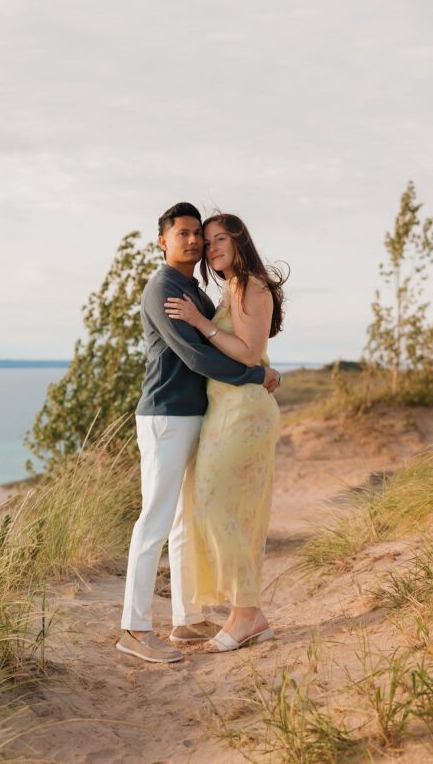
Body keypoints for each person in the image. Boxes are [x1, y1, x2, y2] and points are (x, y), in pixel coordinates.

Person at [116, 202, 281, 664]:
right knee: (155, 519)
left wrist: (256, 368)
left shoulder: (193, 289)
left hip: (198, 415)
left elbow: (229, 342)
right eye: (184, 234)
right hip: (166, 416)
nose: (194, 242)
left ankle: (186, 619)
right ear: (163, 241)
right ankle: (134, 627)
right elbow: (195, 356)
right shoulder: (164, 288)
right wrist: (256, 376)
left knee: (185, 521)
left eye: (200, 236)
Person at [163, 212, 286, 652]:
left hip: (244, 414)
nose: (210, 248)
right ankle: (248, 614)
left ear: (238, 242)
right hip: (226, 410)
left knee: (219, 506)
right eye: (205, 241)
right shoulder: (234, 286)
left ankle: (246, 614)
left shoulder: (251, 284)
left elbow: (250, 353)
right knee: (225, 508)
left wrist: (200, 323)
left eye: (218, 240)